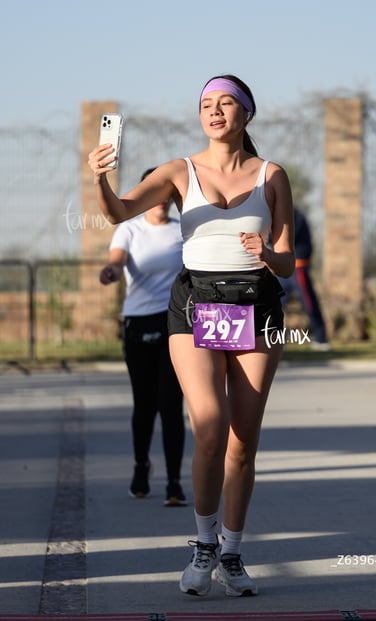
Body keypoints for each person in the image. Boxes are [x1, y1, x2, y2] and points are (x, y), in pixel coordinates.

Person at [89, 74, 295, 597]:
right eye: (207, 103)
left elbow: (288, 261)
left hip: (257, 305)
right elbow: (119, 212)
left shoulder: (272, 175)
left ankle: (232, 550)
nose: (216, 110)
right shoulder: (180, 170)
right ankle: (203, 546)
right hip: (196, 302)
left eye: (227, 103)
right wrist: (100, 179)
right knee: (209, 426)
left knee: (242, 443)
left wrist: (266, 254)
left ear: (247, 114)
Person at [99, 167, 187, 506]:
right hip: (138, 323)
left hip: (175, 323)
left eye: (168, 195)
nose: (162, 201)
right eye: (156, 194)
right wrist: (110, 271)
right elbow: (117, 261)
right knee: (145, 404)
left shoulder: (184, 231)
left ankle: (175, 482)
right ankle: (140, 466)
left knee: (170, 403)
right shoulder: (130, 229)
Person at [279, 207, 329, 350]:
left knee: (308, 301)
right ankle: (277, 339)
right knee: (274, 304)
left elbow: (286, 235)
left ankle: (321, 338)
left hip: (297, 265)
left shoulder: (292, 214)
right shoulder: (277, 213)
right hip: (283, 267)